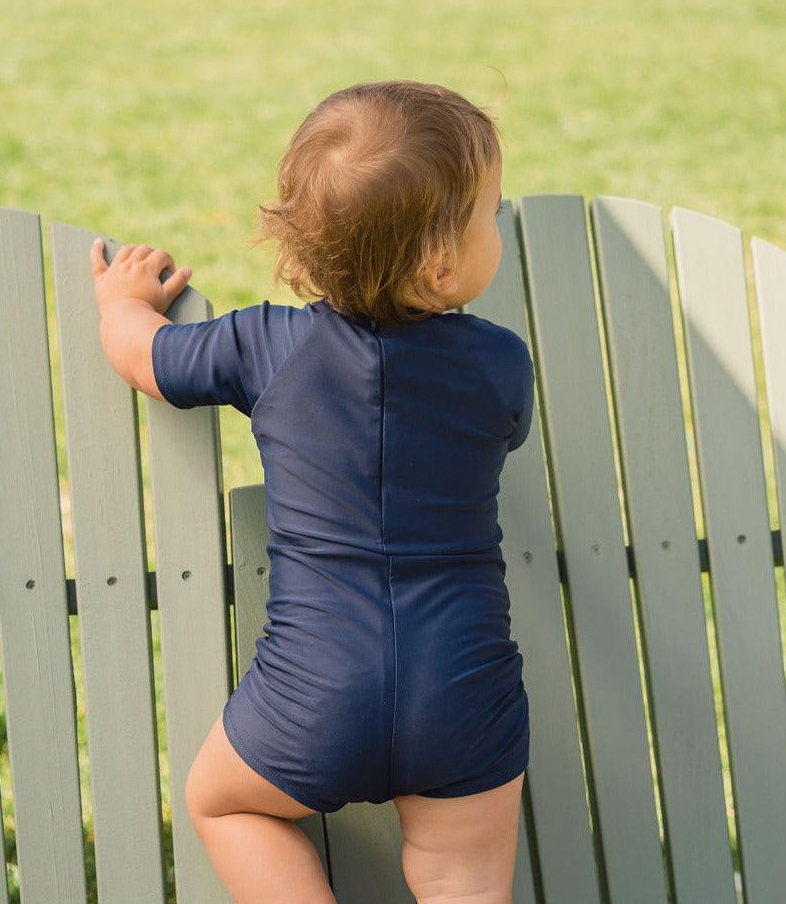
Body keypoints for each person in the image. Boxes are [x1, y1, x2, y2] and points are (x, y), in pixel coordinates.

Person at [91, 79, 535, 904]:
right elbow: (507, 430)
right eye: (491, 212)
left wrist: (122, 302)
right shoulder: (499, 365)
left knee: (222, 803)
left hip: (312, 692)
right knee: (462, 881)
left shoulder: (267, 346)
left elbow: (148, 359)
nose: (496, 224)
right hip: (460, 690)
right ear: (440, 266)